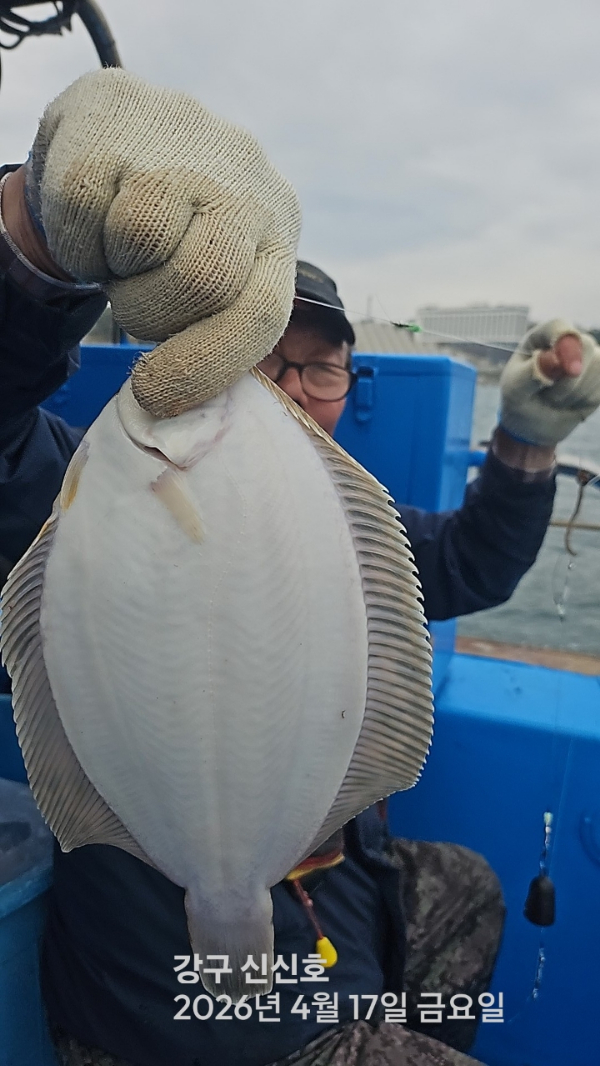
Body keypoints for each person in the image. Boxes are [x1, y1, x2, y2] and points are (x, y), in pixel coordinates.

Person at [1, 70, 599, 1066]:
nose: (293, 385)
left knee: (468, 889)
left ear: (346, 388)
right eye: (270, 354)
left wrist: (526, 448)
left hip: (333, 916)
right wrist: (31, 240)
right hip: (167, 1006)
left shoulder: (339, 530)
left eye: (323, 367)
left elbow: (468, 559)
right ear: (218, 349)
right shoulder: (76, 485)